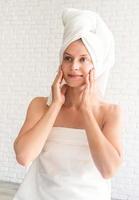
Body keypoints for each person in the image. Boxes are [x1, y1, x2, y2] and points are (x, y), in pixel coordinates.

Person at [13, 8, 123, 200]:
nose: (74, 66)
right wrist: (55, 106)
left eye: (83, 59)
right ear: (60, 63)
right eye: (68, 58)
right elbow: (24, 157)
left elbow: (108, 170)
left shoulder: (110, 112)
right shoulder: (40, 106)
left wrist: (86, 111)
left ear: (95, 65)